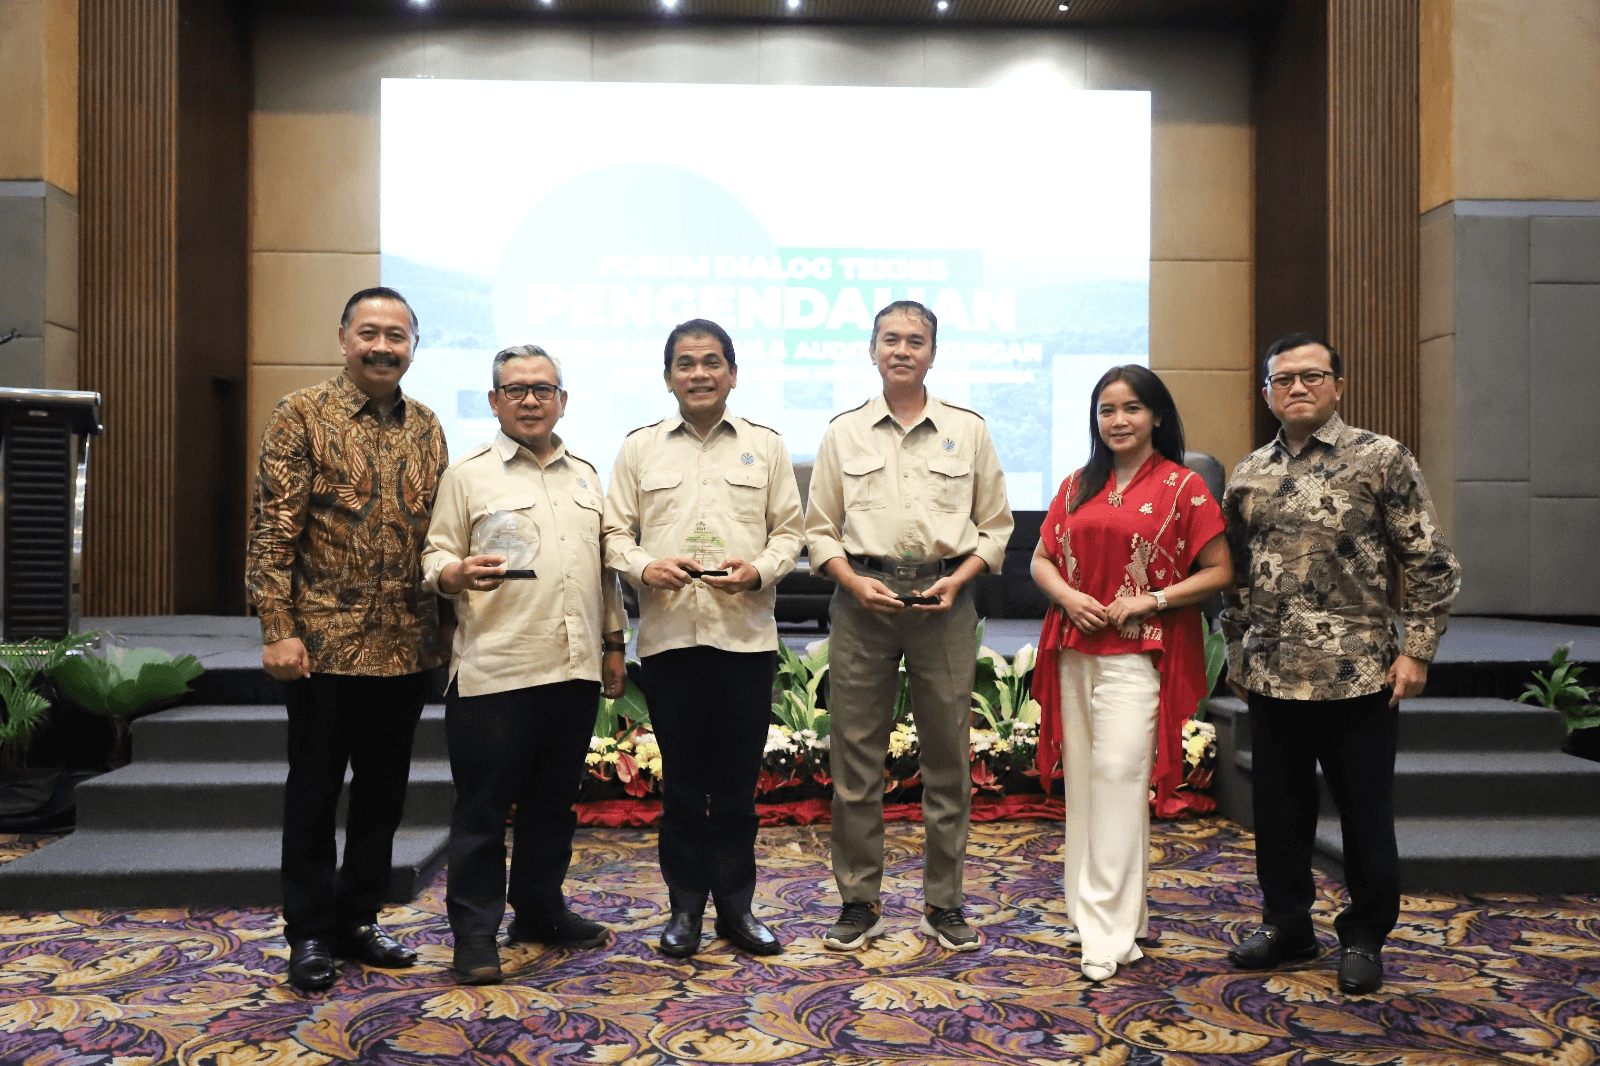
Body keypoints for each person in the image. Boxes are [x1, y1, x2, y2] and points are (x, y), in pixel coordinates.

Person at [1221, 332, 1460, 996]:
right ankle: (1287, 926)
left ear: (1339, 386)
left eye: (1312, 376)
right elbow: (1234, 576)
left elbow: (1431, 563)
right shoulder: (1248, 473)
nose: (1297, 388)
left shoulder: (1381, 458)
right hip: (1273, 676)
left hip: (1360, 675)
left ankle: (1364, 936)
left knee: (1365, 815)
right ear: (1267, 393)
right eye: (1283, 380)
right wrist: (1237, 652)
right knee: (1279, 815)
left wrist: (1417, 650)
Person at [245, 286, 448, 993]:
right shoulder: (301, 414)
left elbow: (439, 535)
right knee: (313, 795)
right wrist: (278, 628)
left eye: (397, 335)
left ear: (413, 346)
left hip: (405, 645)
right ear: (343, 340)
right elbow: (273, 529)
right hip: (322, 647)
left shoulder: (427, 426)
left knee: (383, 797)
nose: (382, 347)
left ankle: (358, 919)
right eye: (369, 333)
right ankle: (308, 932)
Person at [805, 300, 1013, 953]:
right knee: (855, 761)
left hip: (944, 601)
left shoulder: (967, 430)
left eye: (915, 340)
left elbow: (995, 528)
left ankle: (943, 903)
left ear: (932, 353)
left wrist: (959, 578)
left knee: (948, 760)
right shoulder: (844, 432)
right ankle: (859, 901)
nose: (902, 350)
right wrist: (850, 581)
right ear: (872, 350)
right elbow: (819, 531)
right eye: (890, 339)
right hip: (862, 603)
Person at [422, 344, 627, 984]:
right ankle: (474, 934)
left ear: (562, 400)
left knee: (552, 808)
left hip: (572, 669)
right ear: (494, 401)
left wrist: (613, 644)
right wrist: (453, 573)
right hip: (496, 670)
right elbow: (433, 555)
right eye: (516, 390)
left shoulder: (586, 476)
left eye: (543, 389)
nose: (531, 400)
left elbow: (604, 572)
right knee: (482, 812)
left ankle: (539, 912)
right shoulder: (467, 475)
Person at [603, 319, 805, 959]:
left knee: (739, 789)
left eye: (712, 362)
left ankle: (737, 910)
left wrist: (760, 571)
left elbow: (789, 533)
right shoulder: (640, 448)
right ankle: (685, 909)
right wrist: (644, 568)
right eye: (685, 363)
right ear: (668, 378)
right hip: (671, 640)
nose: (699, 374)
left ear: (732, 373)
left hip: (744, 639)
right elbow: (614, 534)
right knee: (685, 788)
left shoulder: (766, 446)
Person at [1028, 366, 1232, 982]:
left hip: (1139, 653)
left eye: (1132, 408)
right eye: (1106, 410)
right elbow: (1041, 559)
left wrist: (1154, 599)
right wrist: (1068, 597)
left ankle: (1105, 931)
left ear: (1157, 416)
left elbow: (1219, 570)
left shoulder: (1183, 487)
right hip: (1074, 647)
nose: (1118, 421)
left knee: (1120, 777)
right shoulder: (1076, 484)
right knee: (1088, 786)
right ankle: (1109, 918)